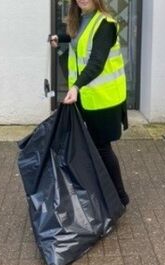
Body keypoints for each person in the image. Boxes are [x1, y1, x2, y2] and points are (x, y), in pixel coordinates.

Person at [49, 0, 130, 207]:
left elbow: (97, 61)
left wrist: (75, 87)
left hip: (104, 100)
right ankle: (104, 189)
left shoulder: (105, 24)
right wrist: (62, 37)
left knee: (102, 147)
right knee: (94, 145)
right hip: (88, 97)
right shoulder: (84, 19)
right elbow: (79, 39)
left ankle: (120, 197)